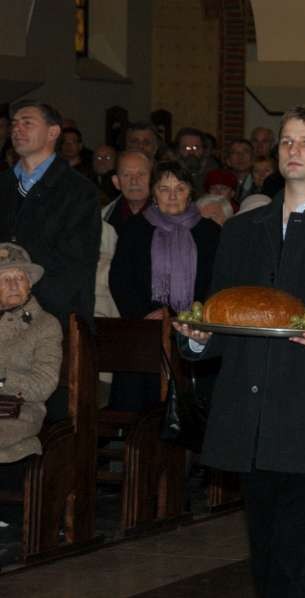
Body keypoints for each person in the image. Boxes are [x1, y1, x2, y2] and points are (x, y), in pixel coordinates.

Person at [173, 105, 305, 597]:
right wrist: (197, 336)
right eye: (288, 141)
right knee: (264, 552)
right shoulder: (242, 230)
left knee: (290, 555)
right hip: (249, 412)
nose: (294, 150)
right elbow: (222, 313)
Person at [108, 161, 220, 413]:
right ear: (154, 193)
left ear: (190, 192)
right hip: (146, 327)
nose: (172, 196)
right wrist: (147, 314)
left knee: (191, 411)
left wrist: (191, 317)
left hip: (195, 331)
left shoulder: (210, 232)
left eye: (180, 188)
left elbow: (217, 281)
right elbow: (120, 279)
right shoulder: (135, 229)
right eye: (164, 189)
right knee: (140, 408)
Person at [0, 100, 101, 329]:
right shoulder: (3, 185)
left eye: (27, 123)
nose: (17, 129)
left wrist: (21, 296)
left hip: (54, 316)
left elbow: (76, 263)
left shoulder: (79, 191)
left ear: (53, 132)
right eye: (14, 124)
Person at [0, 243, 63, 465]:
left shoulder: (45, 325)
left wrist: (2, 378)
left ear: (30, 284)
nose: (13, 285)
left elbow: (44, 384)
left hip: (17, 412)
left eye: (19, 277)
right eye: (5, 279)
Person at [103, 150, 153, 234]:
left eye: (141, 174)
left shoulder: (169, 216)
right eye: (126, 175)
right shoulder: (102, 220)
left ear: (153, 179)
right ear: (116, 182)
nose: (134, 181)